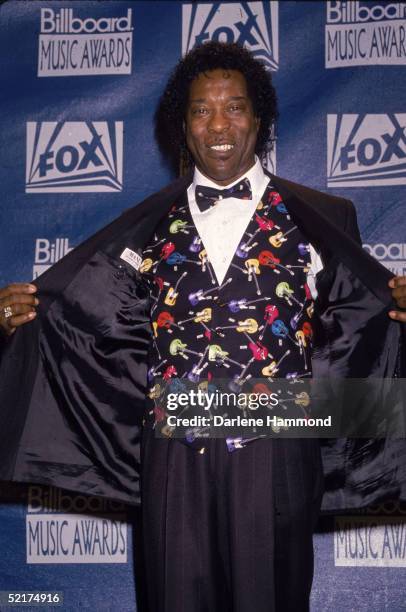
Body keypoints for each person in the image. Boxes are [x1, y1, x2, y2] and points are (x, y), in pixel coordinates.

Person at [0, 42, 405, 612]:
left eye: (234, 107)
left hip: (280, 445)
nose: (218, 123)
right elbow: (93, 330)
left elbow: (363, 337)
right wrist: (25, 318)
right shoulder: (144, 226)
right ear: (182, 126)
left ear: (259, 119)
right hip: (174, 449)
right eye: (200, 110)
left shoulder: (327, 217)